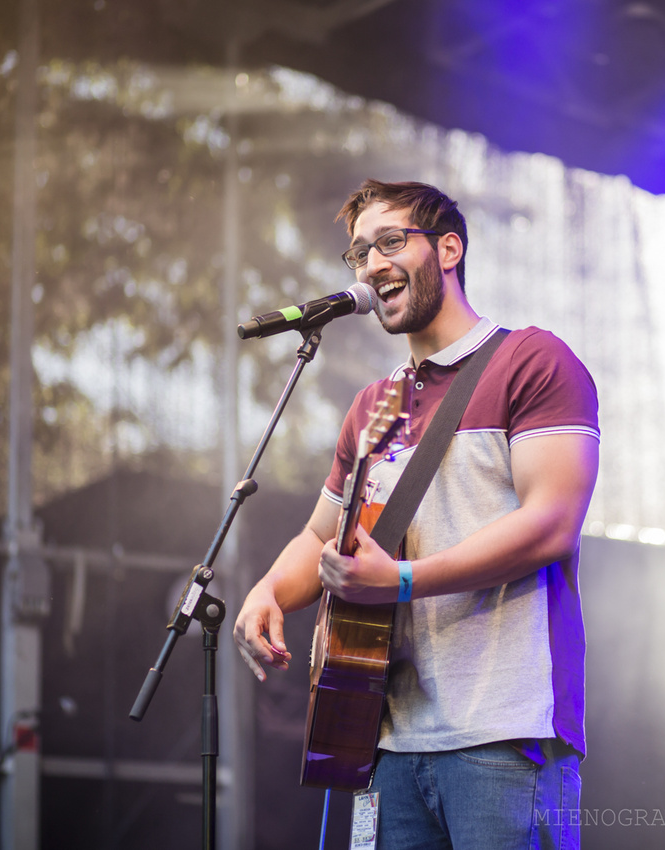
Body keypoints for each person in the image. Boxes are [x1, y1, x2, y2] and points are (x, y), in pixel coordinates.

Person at [233, 179, 600, 849]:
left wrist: (402, 579)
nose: (372, 265)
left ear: (449, 248)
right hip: (386, 743)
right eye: (358, 253)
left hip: (505, 732)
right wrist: (269, 592)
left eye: (391, 242)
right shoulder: (374, 406)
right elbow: (320, 535)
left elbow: (552, 524)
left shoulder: (532, 361)